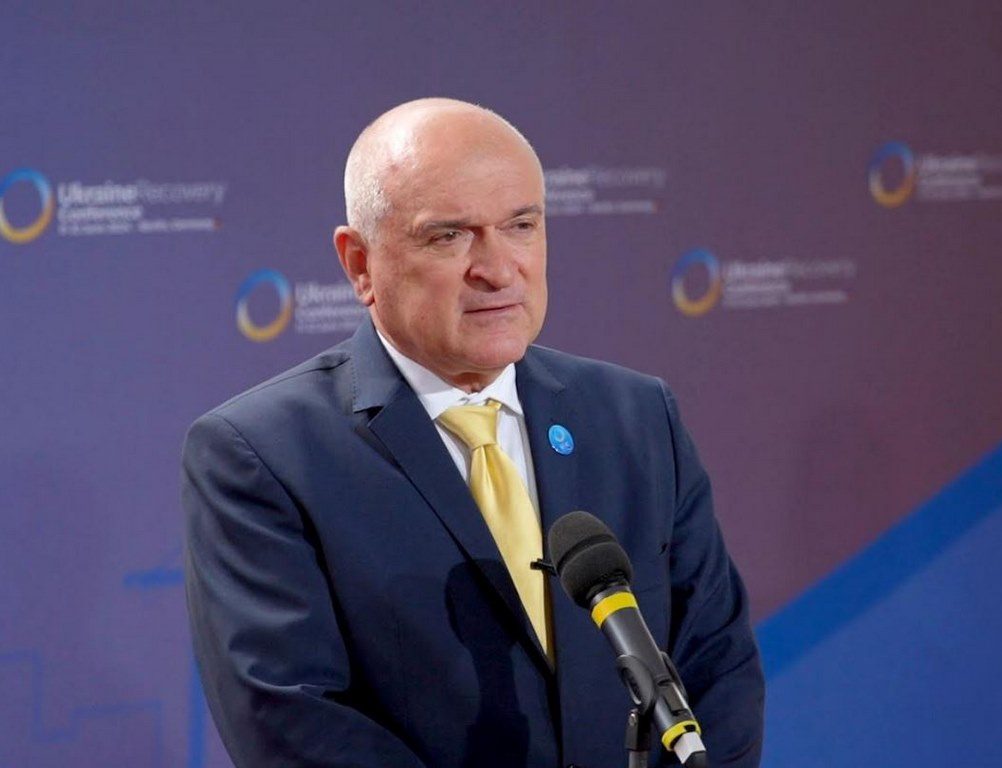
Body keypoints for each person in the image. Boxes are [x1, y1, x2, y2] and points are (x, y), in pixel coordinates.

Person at [182, 98, 764, 768]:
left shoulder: (636, 418)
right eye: (449, 236)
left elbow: (717, 665)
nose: (498, 268)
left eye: (521, 225)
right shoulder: (263, 456)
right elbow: (292, 720)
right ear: (360, 264)